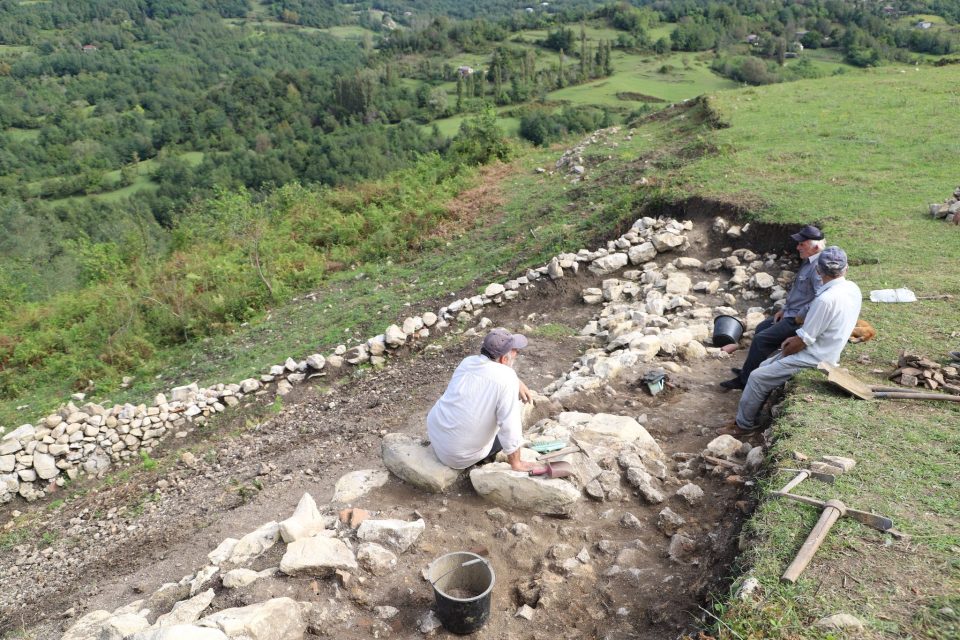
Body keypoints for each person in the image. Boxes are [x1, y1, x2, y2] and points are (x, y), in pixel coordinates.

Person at [719, 246, 861, 436]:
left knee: (757, 377)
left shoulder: (826, 299)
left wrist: (786, 350)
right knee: (763, 366)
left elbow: (803, 341)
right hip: (828, 349)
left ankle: (744, 426)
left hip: (815, 357)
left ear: (818, 270)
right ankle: (753, 415)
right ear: (846, 269)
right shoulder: (852, 289)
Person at [720, 225, 826, 390]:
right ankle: (750, 371)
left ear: (816, 247)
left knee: (761, 340)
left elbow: (820, 298)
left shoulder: (818, 268)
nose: (797, 247)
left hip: (798, 319)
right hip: (790, 313)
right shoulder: (808, 260)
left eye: (802, 244)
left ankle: (745, 381)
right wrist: (784, 309)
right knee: (761, 328)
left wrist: (799, 317)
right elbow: (799, 292)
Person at [427, 328, 543, 472]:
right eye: (515, 351)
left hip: (437, 437)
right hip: (457, 455)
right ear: (503, 359)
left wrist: (516, 381)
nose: (517, 354)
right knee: (506, 426)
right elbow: (510, 426)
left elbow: (492, 371)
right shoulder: (507, 379)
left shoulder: (467, 362)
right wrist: (516, 463)